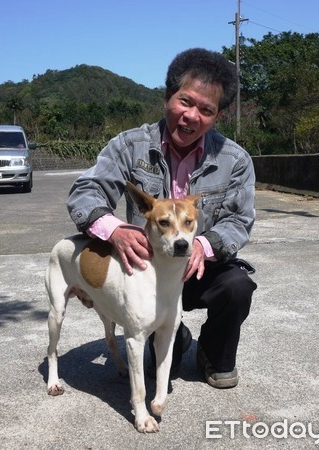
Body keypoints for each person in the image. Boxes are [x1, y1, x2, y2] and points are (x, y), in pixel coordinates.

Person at [67, 48, 257, 389]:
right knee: (157, 371)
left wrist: (203, 244)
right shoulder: (128, 147)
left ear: (218, 116)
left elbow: (239, 220)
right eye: (185, 102)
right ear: (167, 96)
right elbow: (86, 192)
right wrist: (115, 231)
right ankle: (173, 333)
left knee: (237, 285)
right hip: (148, 270)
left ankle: (213, 353)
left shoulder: (235, 160)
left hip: (199, 268)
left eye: (206, 110)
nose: (192, 116)